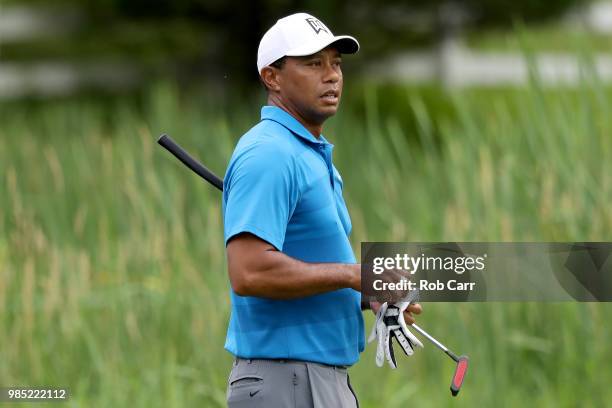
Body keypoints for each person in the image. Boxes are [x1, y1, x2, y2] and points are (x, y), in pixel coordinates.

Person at [222, 12, 422, 407]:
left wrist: (368, 294)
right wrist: (353, 275)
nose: (331, 76)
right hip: (288, 381)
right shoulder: (270, 154)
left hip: (316, 380)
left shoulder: (307, 153)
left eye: (336, 64)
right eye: (313, 64)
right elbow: (249, 271)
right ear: (272, 77)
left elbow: (309, 269)